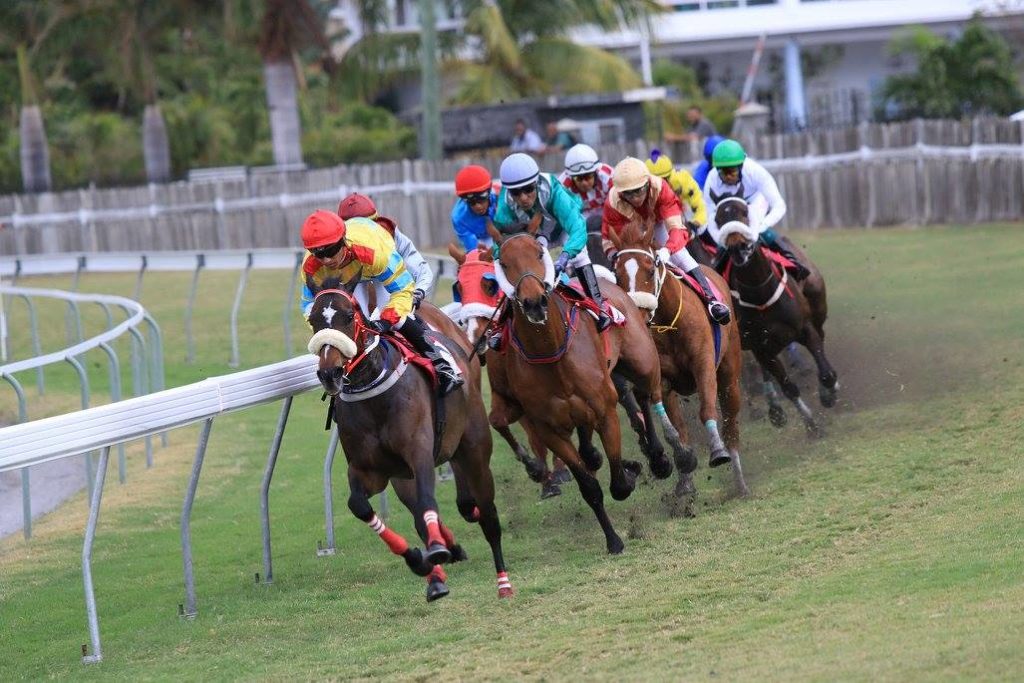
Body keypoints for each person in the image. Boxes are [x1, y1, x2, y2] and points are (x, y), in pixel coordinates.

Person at [299, 209, 463, 395]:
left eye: (330, 251)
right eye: (317, 254)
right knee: (349, 320)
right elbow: (309, 306)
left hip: (378, 269)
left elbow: (403, 289)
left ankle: (443, 362)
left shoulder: (373, 252)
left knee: (399, 318)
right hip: (349, 278)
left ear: (343, 240)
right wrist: (327, 332)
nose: (326, 260)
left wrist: (386, 320)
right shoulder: (311, 266)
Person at [602, 157, 731, 325]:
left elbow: (677, 229)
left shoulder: (661, 188)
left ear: (647, 183)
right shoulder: (612, 202)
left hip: (659, 223)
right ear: (619, 192)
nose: (634, 198)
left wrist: (667, 250)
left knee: (680, 255)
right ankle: (611, 311)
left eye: (638, 190)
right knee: (624, 266)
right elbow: (609, 236)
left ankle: (712, 300)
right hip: (631, 229)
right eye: (628, 193)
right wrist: (615, 255)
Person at [493, 152, 611, 331]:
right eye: (516, 192)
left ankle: (599, 306)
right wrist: (498, 257)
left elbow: (578, 229)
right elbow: (500, 242)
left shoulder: (554, 191)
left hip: (560, 228)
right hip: (535, 235)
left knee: (579, 255)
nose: (523, 197)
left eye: (528, 189)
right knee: (515, 263)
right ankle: (502, 325)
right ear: (509, 191)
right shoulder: (505, 204)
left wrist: (565, 256)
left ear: (537, 183)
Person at [703, 139, 809, 279]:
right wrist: (721, 238)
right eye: (724, 173)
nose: (728, 177)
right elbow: (709, 214)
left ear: (741, 166)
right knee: (725, 244)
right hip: (729, 210)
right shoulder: (712, 179)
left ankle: (795, 265)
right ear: (716, 170)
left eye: (733, 172)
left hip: (755, 202)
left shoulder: (755, 171)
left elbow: (779, 205)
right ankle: (715, 277)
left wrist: (761, 226)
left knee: (759, 228)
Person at [338, 192, 435, 317]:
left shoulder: (390, 233)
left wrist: (419, 292)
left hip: (385, 278)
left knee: (396, 317)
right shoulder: (334, 245)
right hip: (354, 281)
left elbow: (421, 269)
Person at [644, 149, 708, 235]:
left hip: (683, 220)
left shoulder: (682, 180)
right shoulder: (642, 188)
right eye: (655, 181)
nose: (660, 185)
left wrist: (696, 222)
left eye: (664, 179)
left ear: (670, 175)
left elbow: (699, 204)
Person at [557, 144, 614, 231]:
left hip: (607, 210)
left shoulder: (609, 177)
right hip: (581, 216)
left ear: (596, 172)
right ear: (571, 176)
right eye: (578, 178)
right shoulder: (562, 187)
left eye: (588, 176)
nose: (584, 183)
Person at [450, 165, 498, 252]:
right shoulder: (459, 218)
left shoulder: (499, 195)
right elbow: (473, 249)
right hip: (479, 240)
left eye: (481, 198)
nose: (477, 206)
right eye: (471, 201)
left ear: (489, 190)